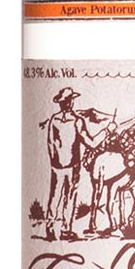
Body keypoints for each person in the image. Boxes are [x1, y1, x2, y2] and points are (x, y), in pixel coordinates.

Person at [45, 87, 117, 241]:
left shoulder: (54, 120)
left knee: (54, 196)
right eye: (71, 99)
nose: (72, 102)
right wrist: (107, 130)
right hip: (72, 165)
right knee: (69, 197)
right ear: (70, 102)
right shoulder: (77, 121)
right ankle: (65, 230)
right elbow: (91, 143)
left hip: (57, 165)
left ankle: (50, 229)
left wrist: (54, 161)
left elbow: (50, 143)